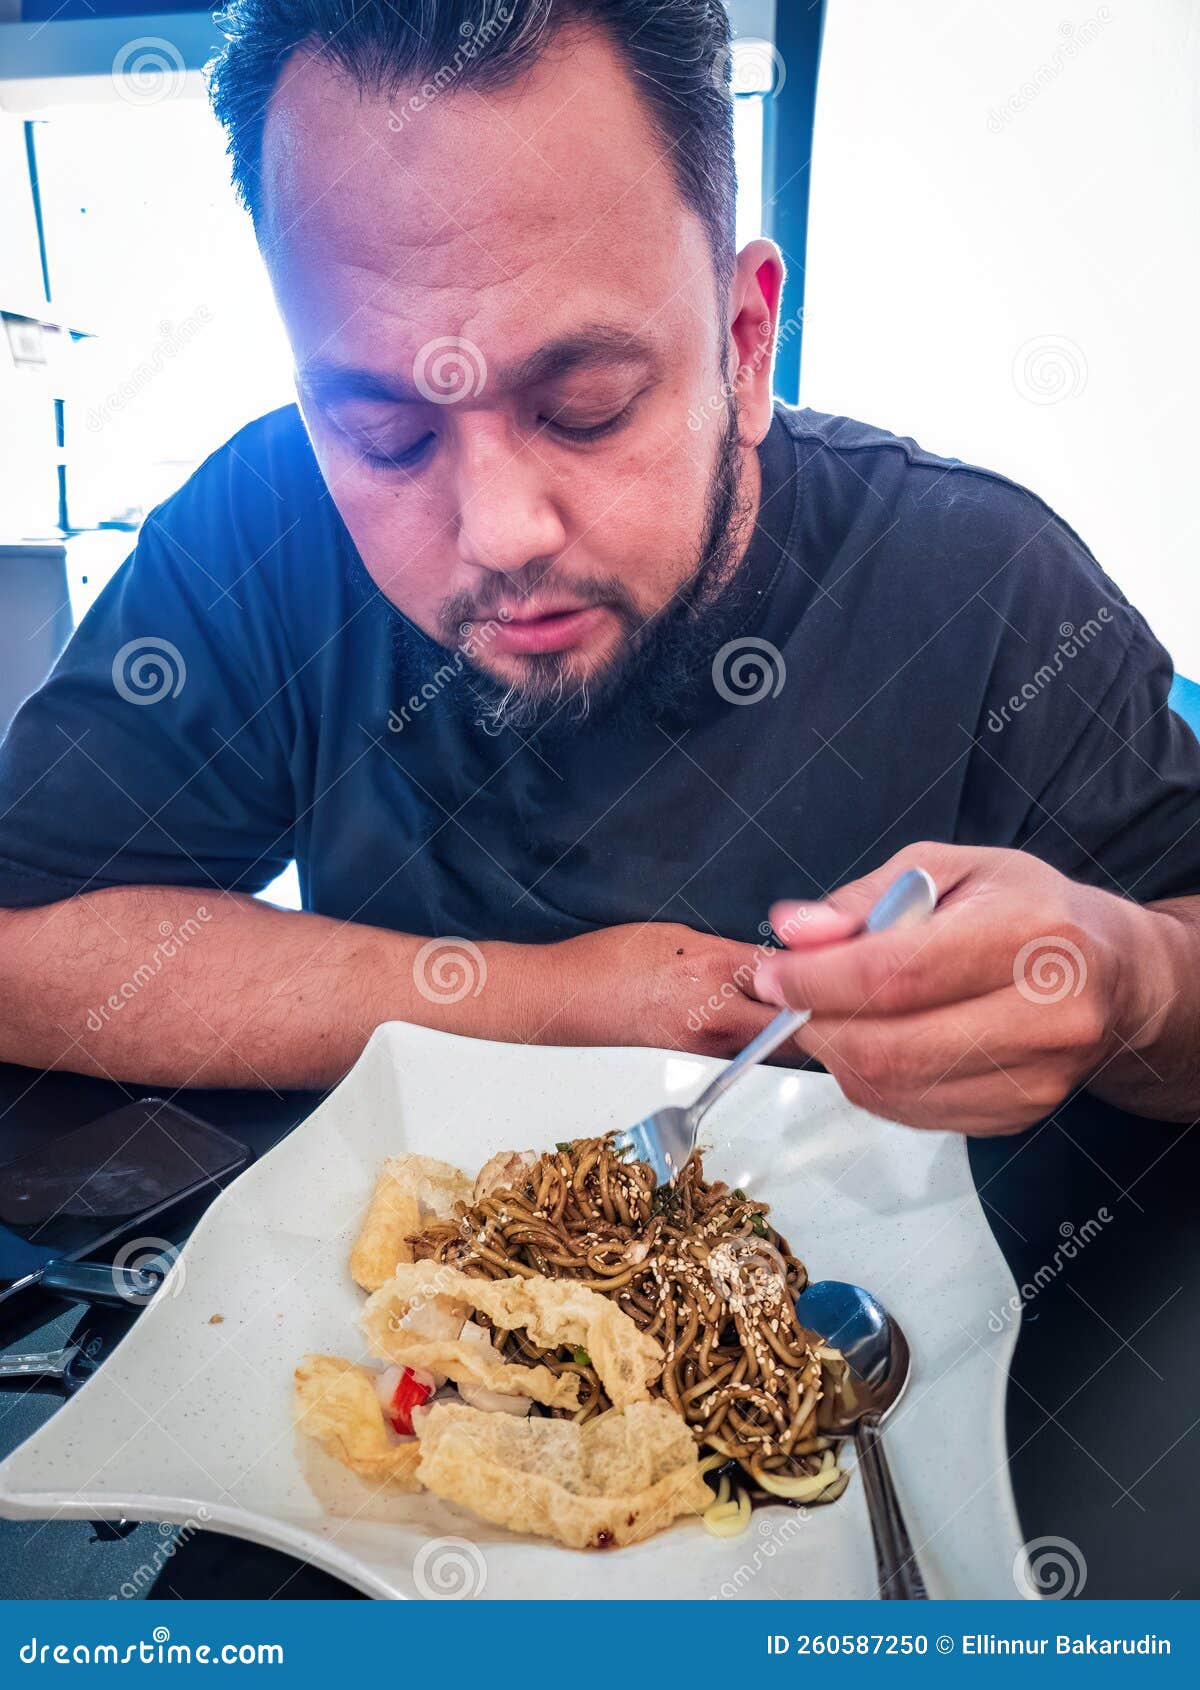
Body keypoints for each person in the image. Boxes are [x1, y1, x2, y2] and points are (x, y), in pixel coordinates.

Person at [0, 0, 1197, 1135]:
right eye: (386, 436)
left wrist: (1134, 982)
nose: (501, 531)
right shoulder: (266, 522)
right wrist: (560, 1004)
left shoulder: (979, 578)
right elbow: (23, 947)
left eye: (586, 409)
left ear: (743, 342)